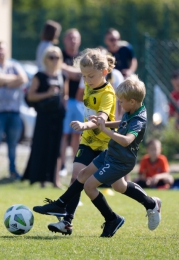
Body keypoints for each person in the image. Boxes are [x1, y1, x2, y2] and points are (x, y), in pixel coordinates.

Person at [33, 75, 161, 238]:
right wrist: (104, 123)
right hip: (112, 153)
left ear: (133, 101)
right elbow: (122, 123)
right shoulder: (134, 108)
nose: (119, 104)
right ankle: (150, 203)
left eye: (121, 101)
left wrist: (105, 131)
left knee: (89, 186)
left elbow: (127, 140)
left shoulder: (138, 119)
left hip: (120, 161)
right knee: (87, 176)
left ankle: (111, 218)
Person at [32, 47, 117, 233]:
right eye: (83, 76)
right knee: (76, 178)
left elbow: (101, 118)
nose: (86, 81)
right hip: (88, 141)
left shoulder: (108, 94)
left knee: (119, 186)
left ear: (104, 73)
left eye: (90, 76)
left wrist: (84, 125)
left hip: (104, 145)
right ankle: (66, 222)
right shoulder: (88, 83)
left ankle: (145, 205)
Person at [22, 46, 68, 188]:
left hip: (57, 117)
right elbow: (30, 95)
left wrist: (64, 109)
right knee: (42, 146)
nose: (54, 60)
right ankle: (41, 180)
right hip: (43, 116)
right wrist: (47, 94)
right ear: (45, 59)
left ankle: (56, 180)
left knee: (57, 148)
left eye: (57, 57)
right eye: (51, 57)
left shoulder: (62, 76)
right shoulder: (39, 76)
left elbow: (64, 95)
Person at [0, 41, 28, 182]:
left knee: (13, 144)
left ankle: (13, 171)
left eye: (2, 49)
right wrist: (12, 81)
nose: (0, 52)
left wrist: (2, 81)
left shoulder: (14, 65)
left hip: (14, 112)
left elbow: (23, 78)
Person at [60, 28, 84, 175]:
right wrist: (77, 72)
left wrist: (70, 72)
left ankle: (74, 165)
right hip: (66, 101)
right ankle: (62, 165)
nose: (73, 40)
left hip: (81, 102)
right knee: (64, 134)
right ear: (65, 40)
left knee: (77, 134)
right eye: (70, 37)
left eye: (75, 38)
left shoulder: (82, 57)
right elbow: (62, 69)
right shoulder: (59, 55)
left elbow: (82, 73)